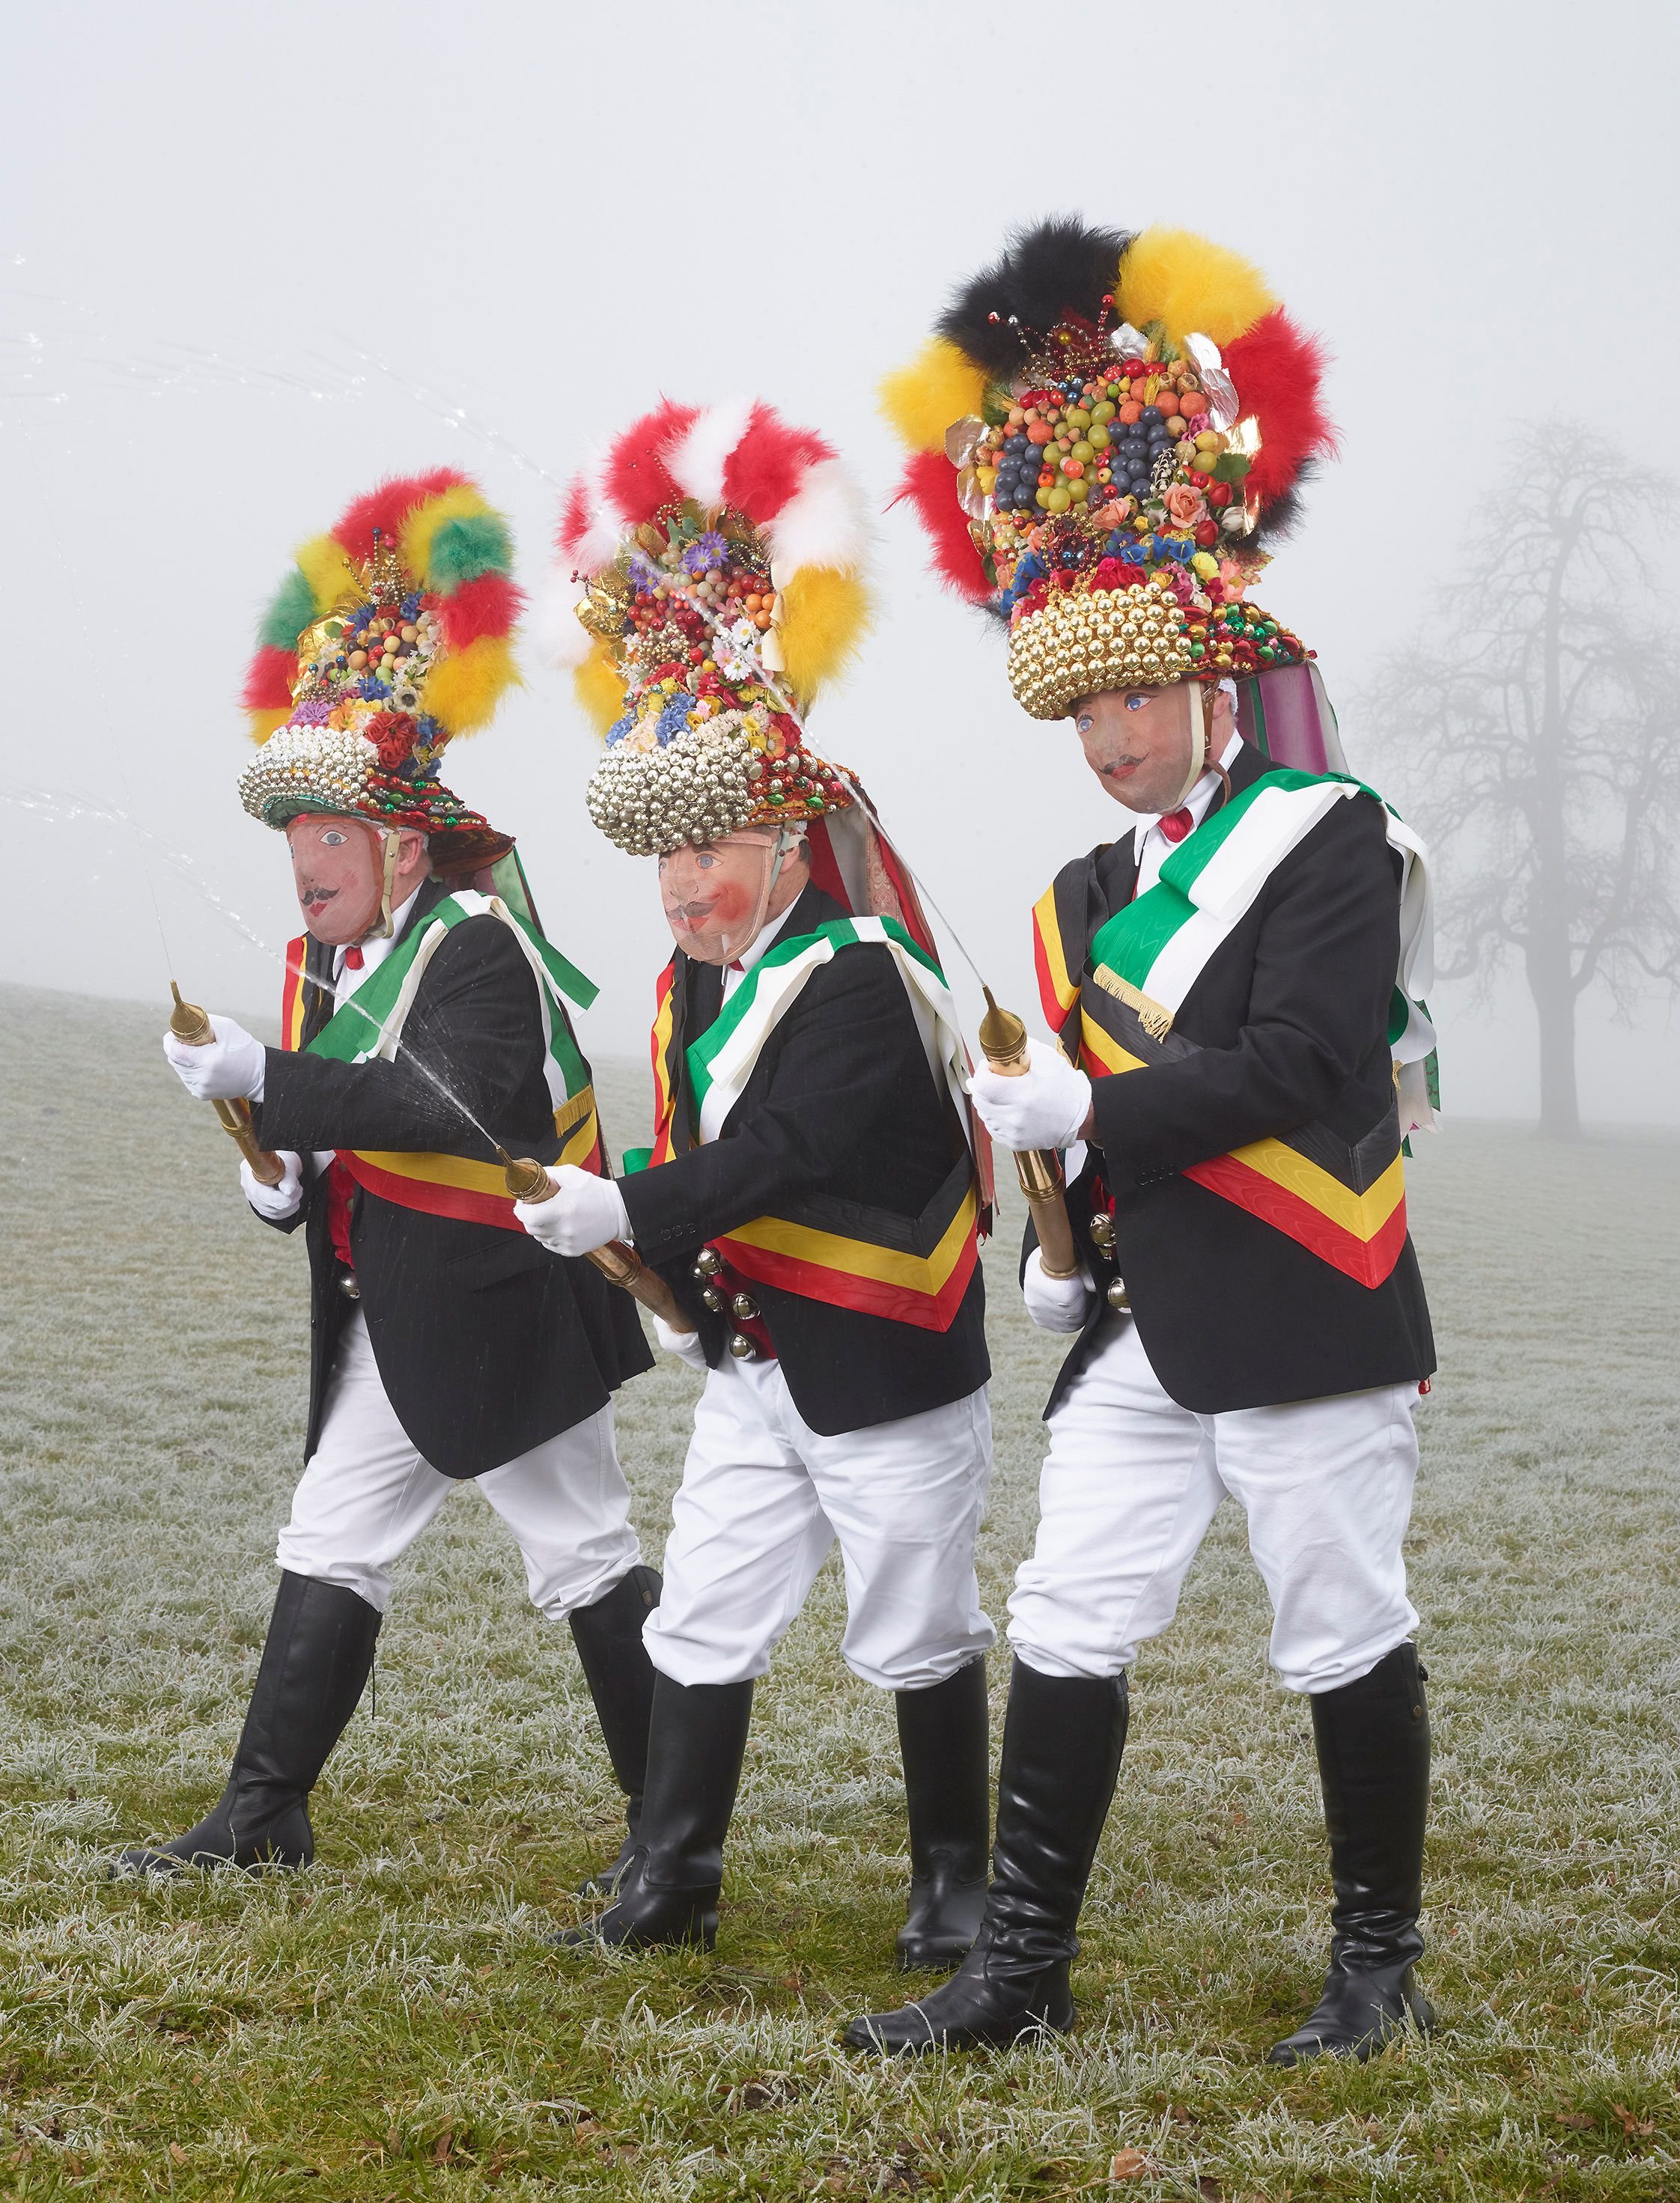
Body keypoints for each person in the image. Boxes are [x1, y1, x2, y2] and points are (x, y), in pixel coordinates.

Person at [850, 221, 1440, 2062]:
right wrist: (1058, 1217)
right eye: (1081, 703)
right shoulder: (1075, 894)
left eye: (1133, 693)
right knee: (1069, 1607)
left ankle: (1379, 1968)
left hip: (1306, 1286)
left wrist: (1091, 1111)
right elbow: (1076, 1124)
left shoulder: (1329, 835)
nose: (1107, 733)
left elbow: (1306, 1061)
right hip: (1142, 1312)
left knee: (1338, 1618)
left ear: (1211, 680)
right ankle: (1020, 1972)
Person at [112, 469, 657, 1884]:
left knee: (582, 1552)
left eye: (331, 832)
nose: (305, 860)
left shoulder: (476, 943)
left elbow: (444, 1103)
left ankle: (673, 1837)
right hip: (390, 1304)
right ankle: (262, 1816)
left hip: (496, 1301)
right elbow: (339, 1130)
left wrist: (267, 1080)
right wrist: (280, 1177)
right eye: (295, 834)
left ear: (404, 842)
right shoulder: (325, 958)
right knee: (331, 1533)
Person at [517, 400, 996, 1966]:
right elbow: (701, 1149)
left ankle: (956, 1888)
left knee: (917, 1622)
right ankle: (672, 1881)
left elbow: (788, 1149)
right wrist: (646, 1243)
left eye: (708, 847)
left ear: (788, 836)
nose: (681, 883)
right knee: (702, 1610)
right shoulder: (690, 984)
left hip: (886, 1352)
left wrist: (629, 1211)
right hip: (758, 1357)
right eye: (664, 858)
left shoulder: (858, 970)